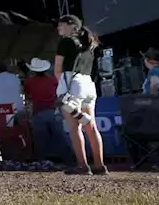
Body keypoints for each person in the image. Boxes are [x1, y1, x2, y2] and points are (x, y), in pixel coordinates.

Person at [54, 15, 106, 175]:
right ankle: (99, 165)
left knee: (74, 127)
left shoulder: (65, 42)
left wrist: (62, 87)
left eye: (60, 25)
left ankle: (83, 166)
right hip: (88, 84)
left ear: (71, 25)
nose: (58, 29)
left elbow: (58, 69)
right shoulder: (89, 43)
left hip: (72, 82)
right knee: (91, 126)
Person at [24, 57, 67, 163]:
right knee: (59, 137)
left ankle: (42, 161)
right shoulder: (53, 80)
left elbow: (27, 96)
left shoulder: (29, 81)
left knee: (40, 139)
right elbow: (60, 94)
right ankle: (66, 159)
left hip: (38, 112)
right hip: (53, 111)